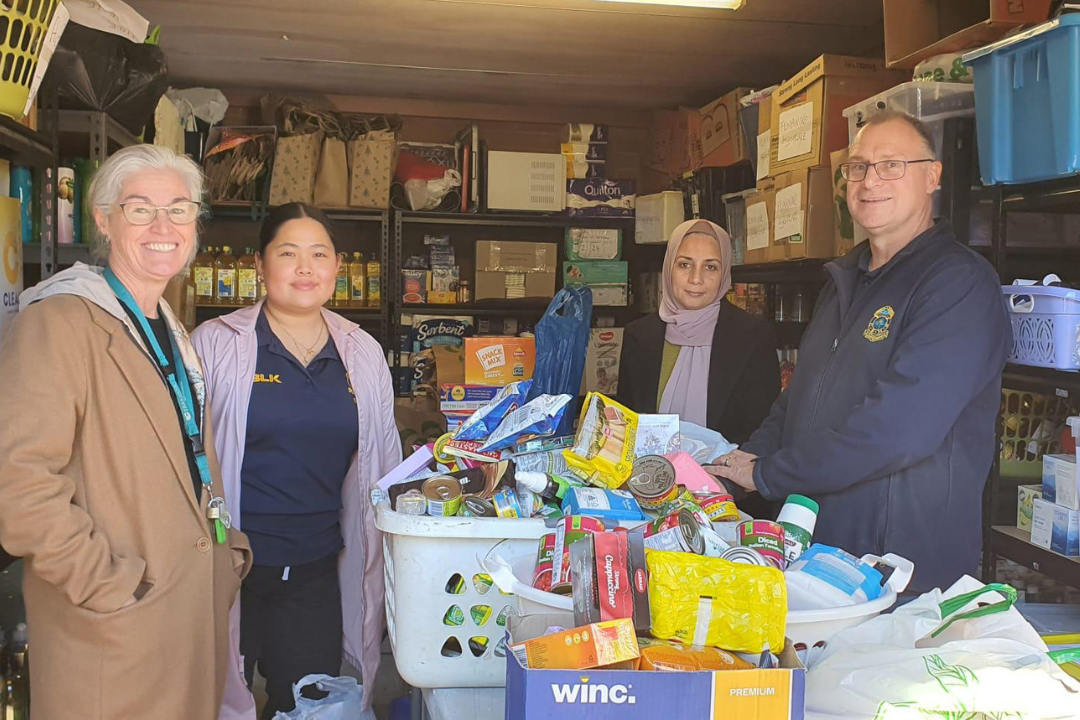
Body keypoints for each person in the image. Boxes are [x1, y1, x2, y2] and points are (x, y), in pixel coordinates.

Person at [711, 110, 1011, 594]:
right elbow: (798, 399)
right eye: (858, 167)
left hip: (899, 568)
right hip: (820, 551)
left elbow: (898, 432)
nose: (870, 180)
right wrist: (739, 460)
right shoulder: (845, 281)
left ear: (932, 176)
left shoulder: (958, 284)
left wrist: (768, 474)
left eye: (892, 165)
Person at [0, 144, 252, 719]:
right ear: (104, 220)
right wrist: (110, 587)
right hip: (113, 630)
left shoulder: (169, 327)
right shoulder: (57, 323)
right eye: (140, 209)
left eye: (179, 209)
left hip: (186, 615)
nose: (163, 226)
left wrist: (224, 558)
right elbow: (19, 486)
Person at [192, 203, 401, 719]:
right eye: (288, 253)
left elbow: (383, 461)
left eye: (319, 254)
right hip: (226, 566)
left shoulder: (362, 351)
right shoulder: (216, 343)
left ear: (336, 268)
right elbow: (183, 457)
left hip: (314, 569)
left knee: (311, 704)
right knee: (211, 701)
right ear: (260, 266)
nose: (305, 268)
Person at [618, 218, 780, 445]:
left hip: (724, 477)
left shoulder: (753, 337)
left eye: (710, 266)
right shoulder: (639, 336)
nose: (696, 279)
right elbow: (625, 427)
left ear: (724, 275)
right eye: (685, 264)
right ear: (668, 268)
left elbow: (764, 431)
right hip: (650, 476)